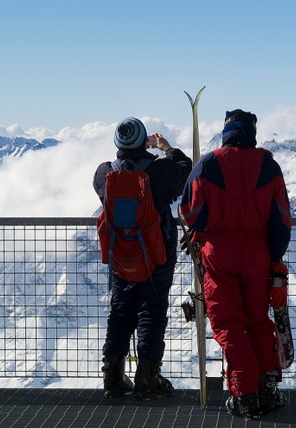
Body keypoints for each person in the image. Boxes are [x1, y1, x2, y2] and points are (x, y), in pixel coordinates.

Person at [179, 109, 292, 419]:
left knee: (230, 325)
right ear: (252, 131)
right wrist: (273, 257)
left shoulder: (209, 163)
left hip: (218, 253)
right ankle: (268, 388)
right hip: (257, 252)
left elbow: (188, 211)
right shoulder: (268, 164)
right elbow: (281, 219)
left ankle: (245, 395)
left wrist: (203, 230)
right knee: (257, 320)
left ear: (227, 129)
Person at [93, 117, 192, 400]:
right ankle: (148, 377)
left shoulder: (103, 173)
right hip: (156, 253)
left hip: (120, 254)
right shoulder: (160, 171)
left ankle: (112, 376)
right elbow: (186, 172)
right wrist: (167, 148)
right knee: (152, 309)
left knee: (120, 310)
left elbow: (103, 194)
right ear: (143, 140)